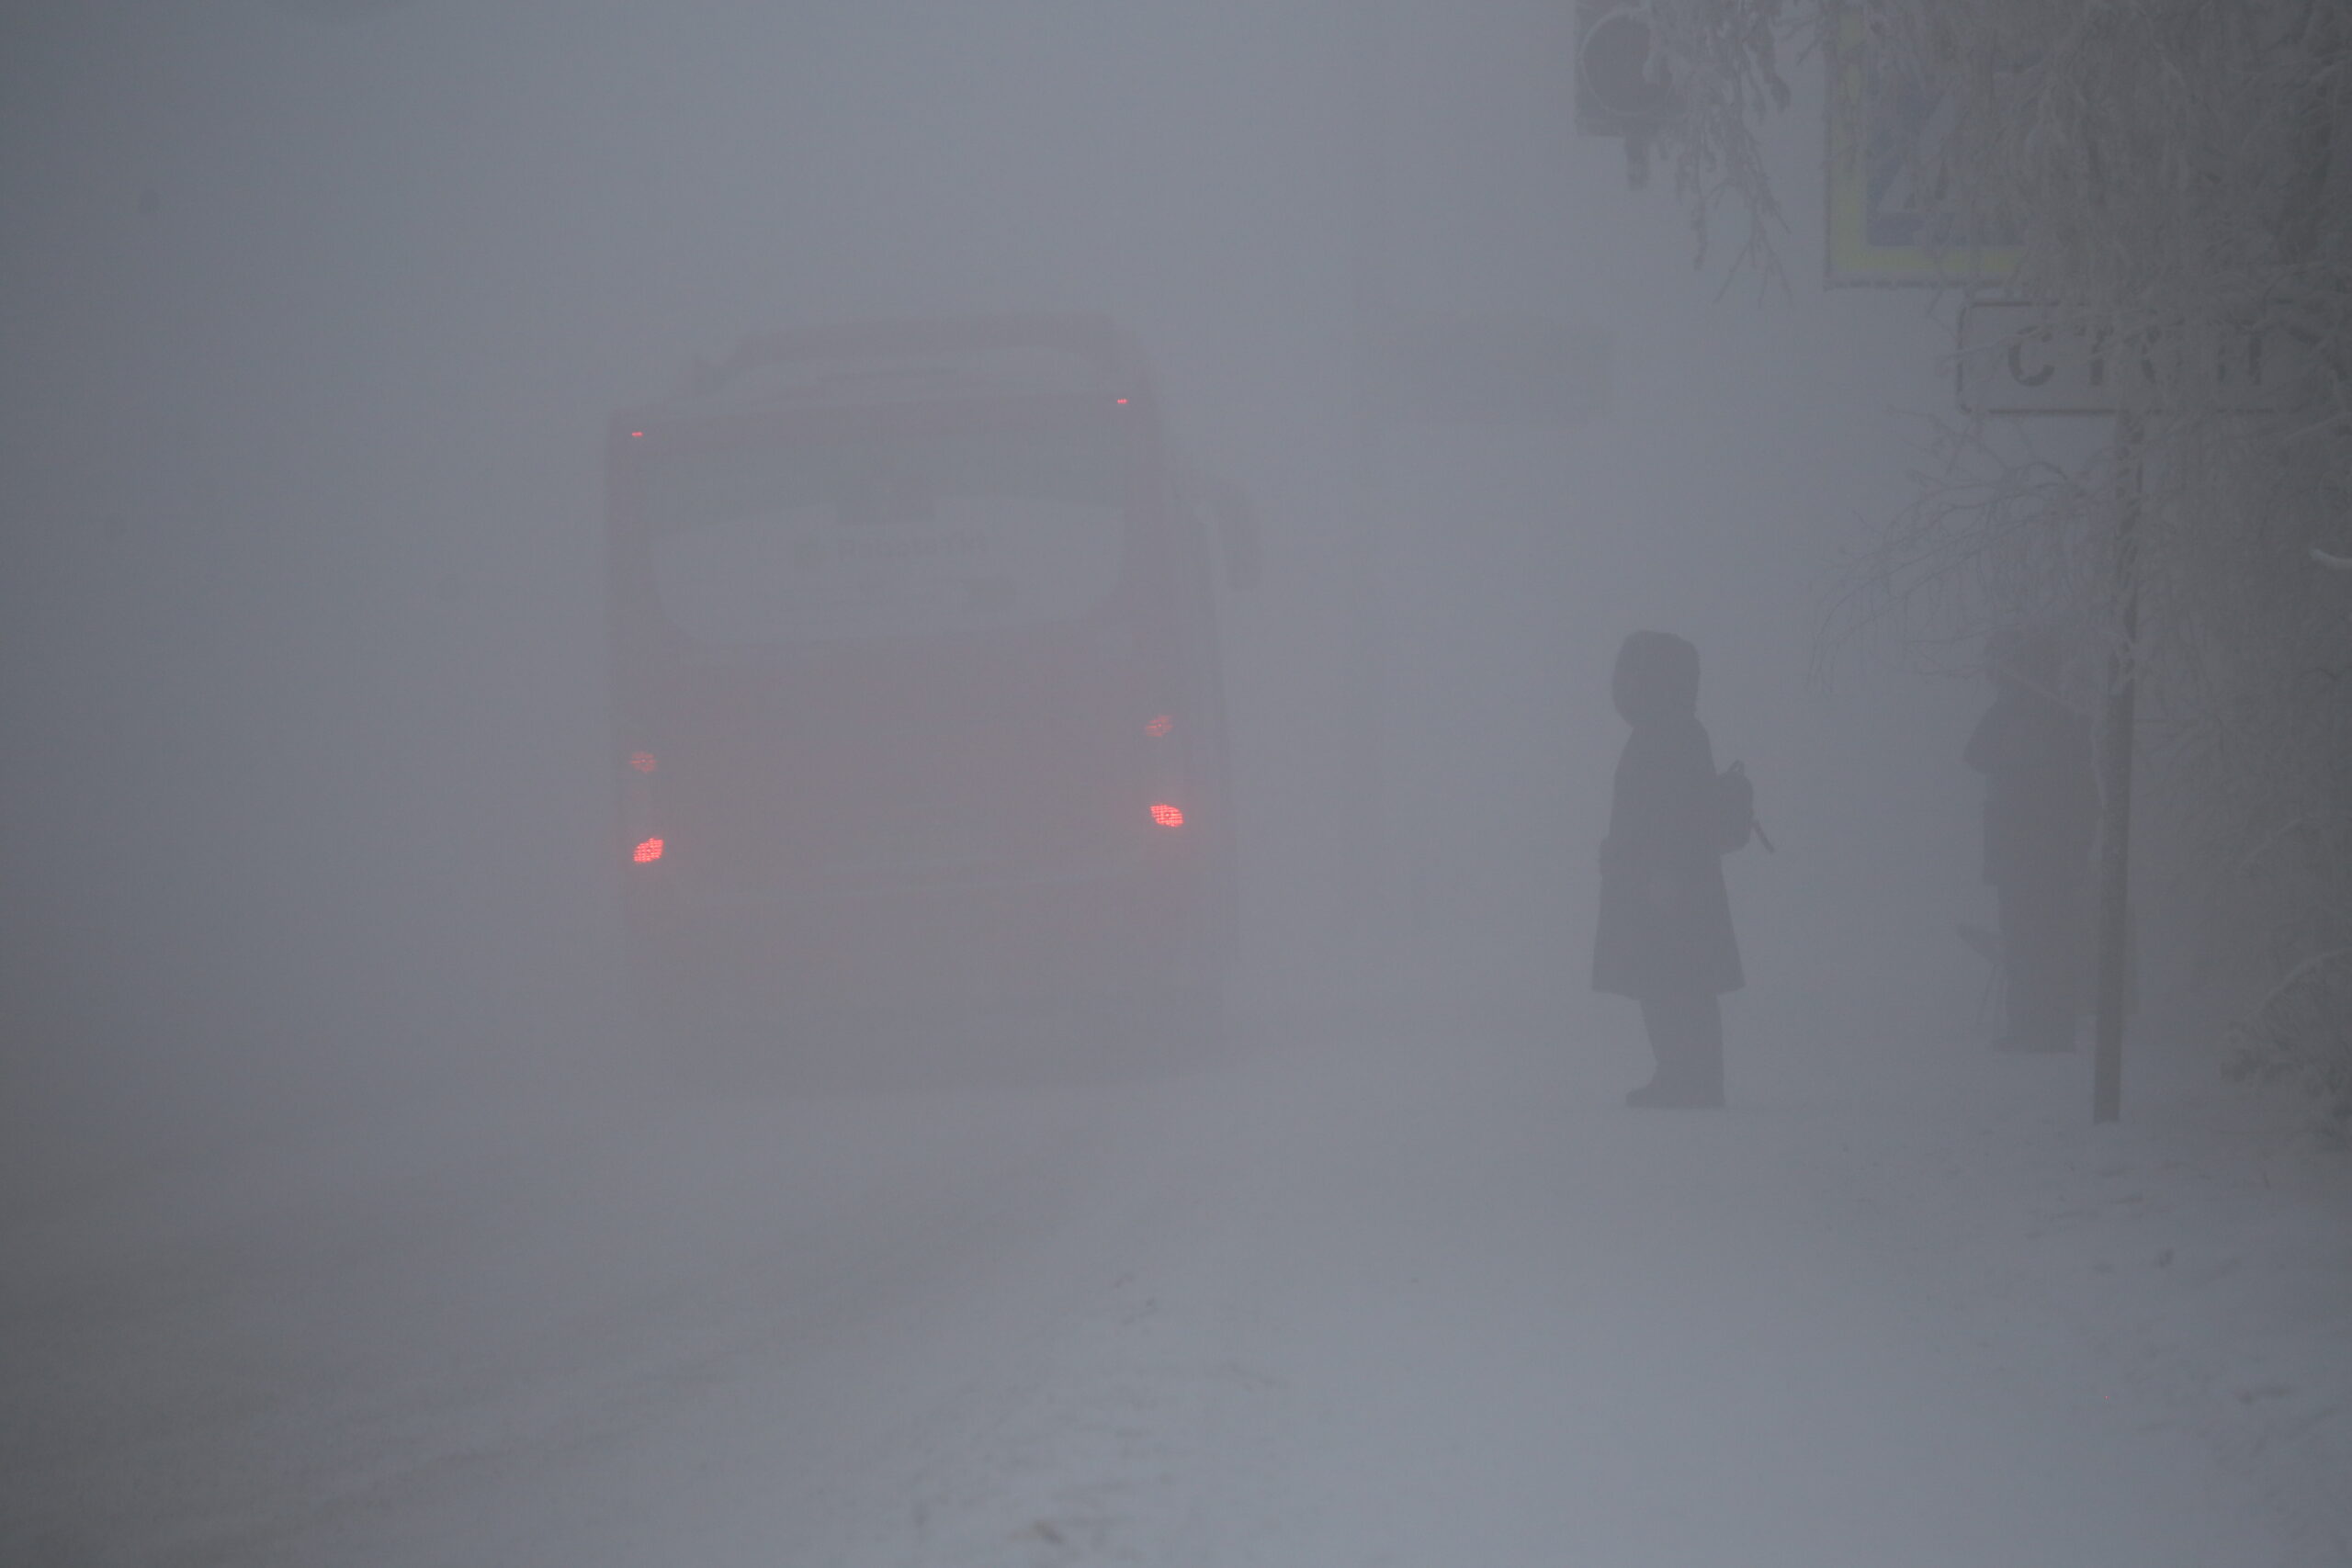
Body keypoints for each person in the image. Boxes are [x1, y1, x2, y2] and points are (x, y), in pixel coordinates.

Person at [1593, 631, 1743, 1108]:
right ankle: (1680, 1074)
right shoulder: (1666, 728)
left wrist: (1665, 872)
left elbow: (1675, 811)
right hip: (1660, 875)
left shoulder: (1672, 731)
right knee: (1665, 978)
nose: (1622, 684)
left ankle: (1692, 1079)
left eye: (1632, 672)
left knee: (1677, 979)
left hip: (1669, 879)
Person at [1964, 626, 2098, 1053]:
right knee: (2036, 939)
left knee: (2035, 939)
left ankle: (2042, 1029)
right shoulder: (2051, 715)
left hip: (2033, 851)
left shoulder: (2043, 715)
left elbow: (1978, 752)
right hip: (2038, 852)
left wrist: (2011, 706)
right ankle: (2041, 1028)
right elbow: (1978, 754)